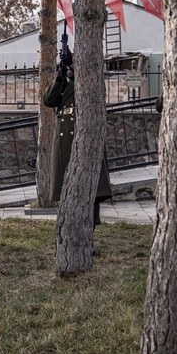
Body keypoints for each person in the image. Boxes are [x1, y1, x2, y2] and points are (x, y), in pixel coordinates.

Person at [42, 57, 112, 227]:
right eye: (68, 67)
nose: (70, 70)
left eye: (73, 66)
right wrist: (59, 77)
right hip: (65, 144)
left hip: (84, 141)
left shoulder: (90, 82)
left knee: (90, 192)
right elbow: (48, 100)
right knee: (67, 190)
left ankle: (89, 233)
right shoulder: (63, 85)